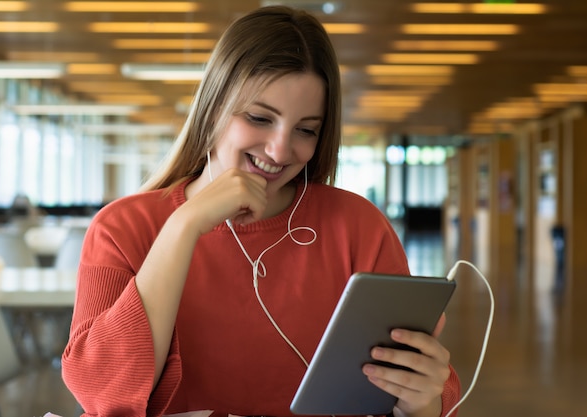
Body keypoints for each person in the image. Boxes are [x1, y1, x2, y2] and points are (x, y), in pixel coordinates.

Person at [61, 5, 461, 417]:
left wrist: (423, 400)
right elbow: (100, 394)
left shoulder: (358, 227)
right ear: (213, 107)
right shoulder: (123, 227)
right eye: (259, 118)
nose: (280, 150)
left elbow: (425, 396)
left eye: (306, 130)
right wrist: (184, 225)